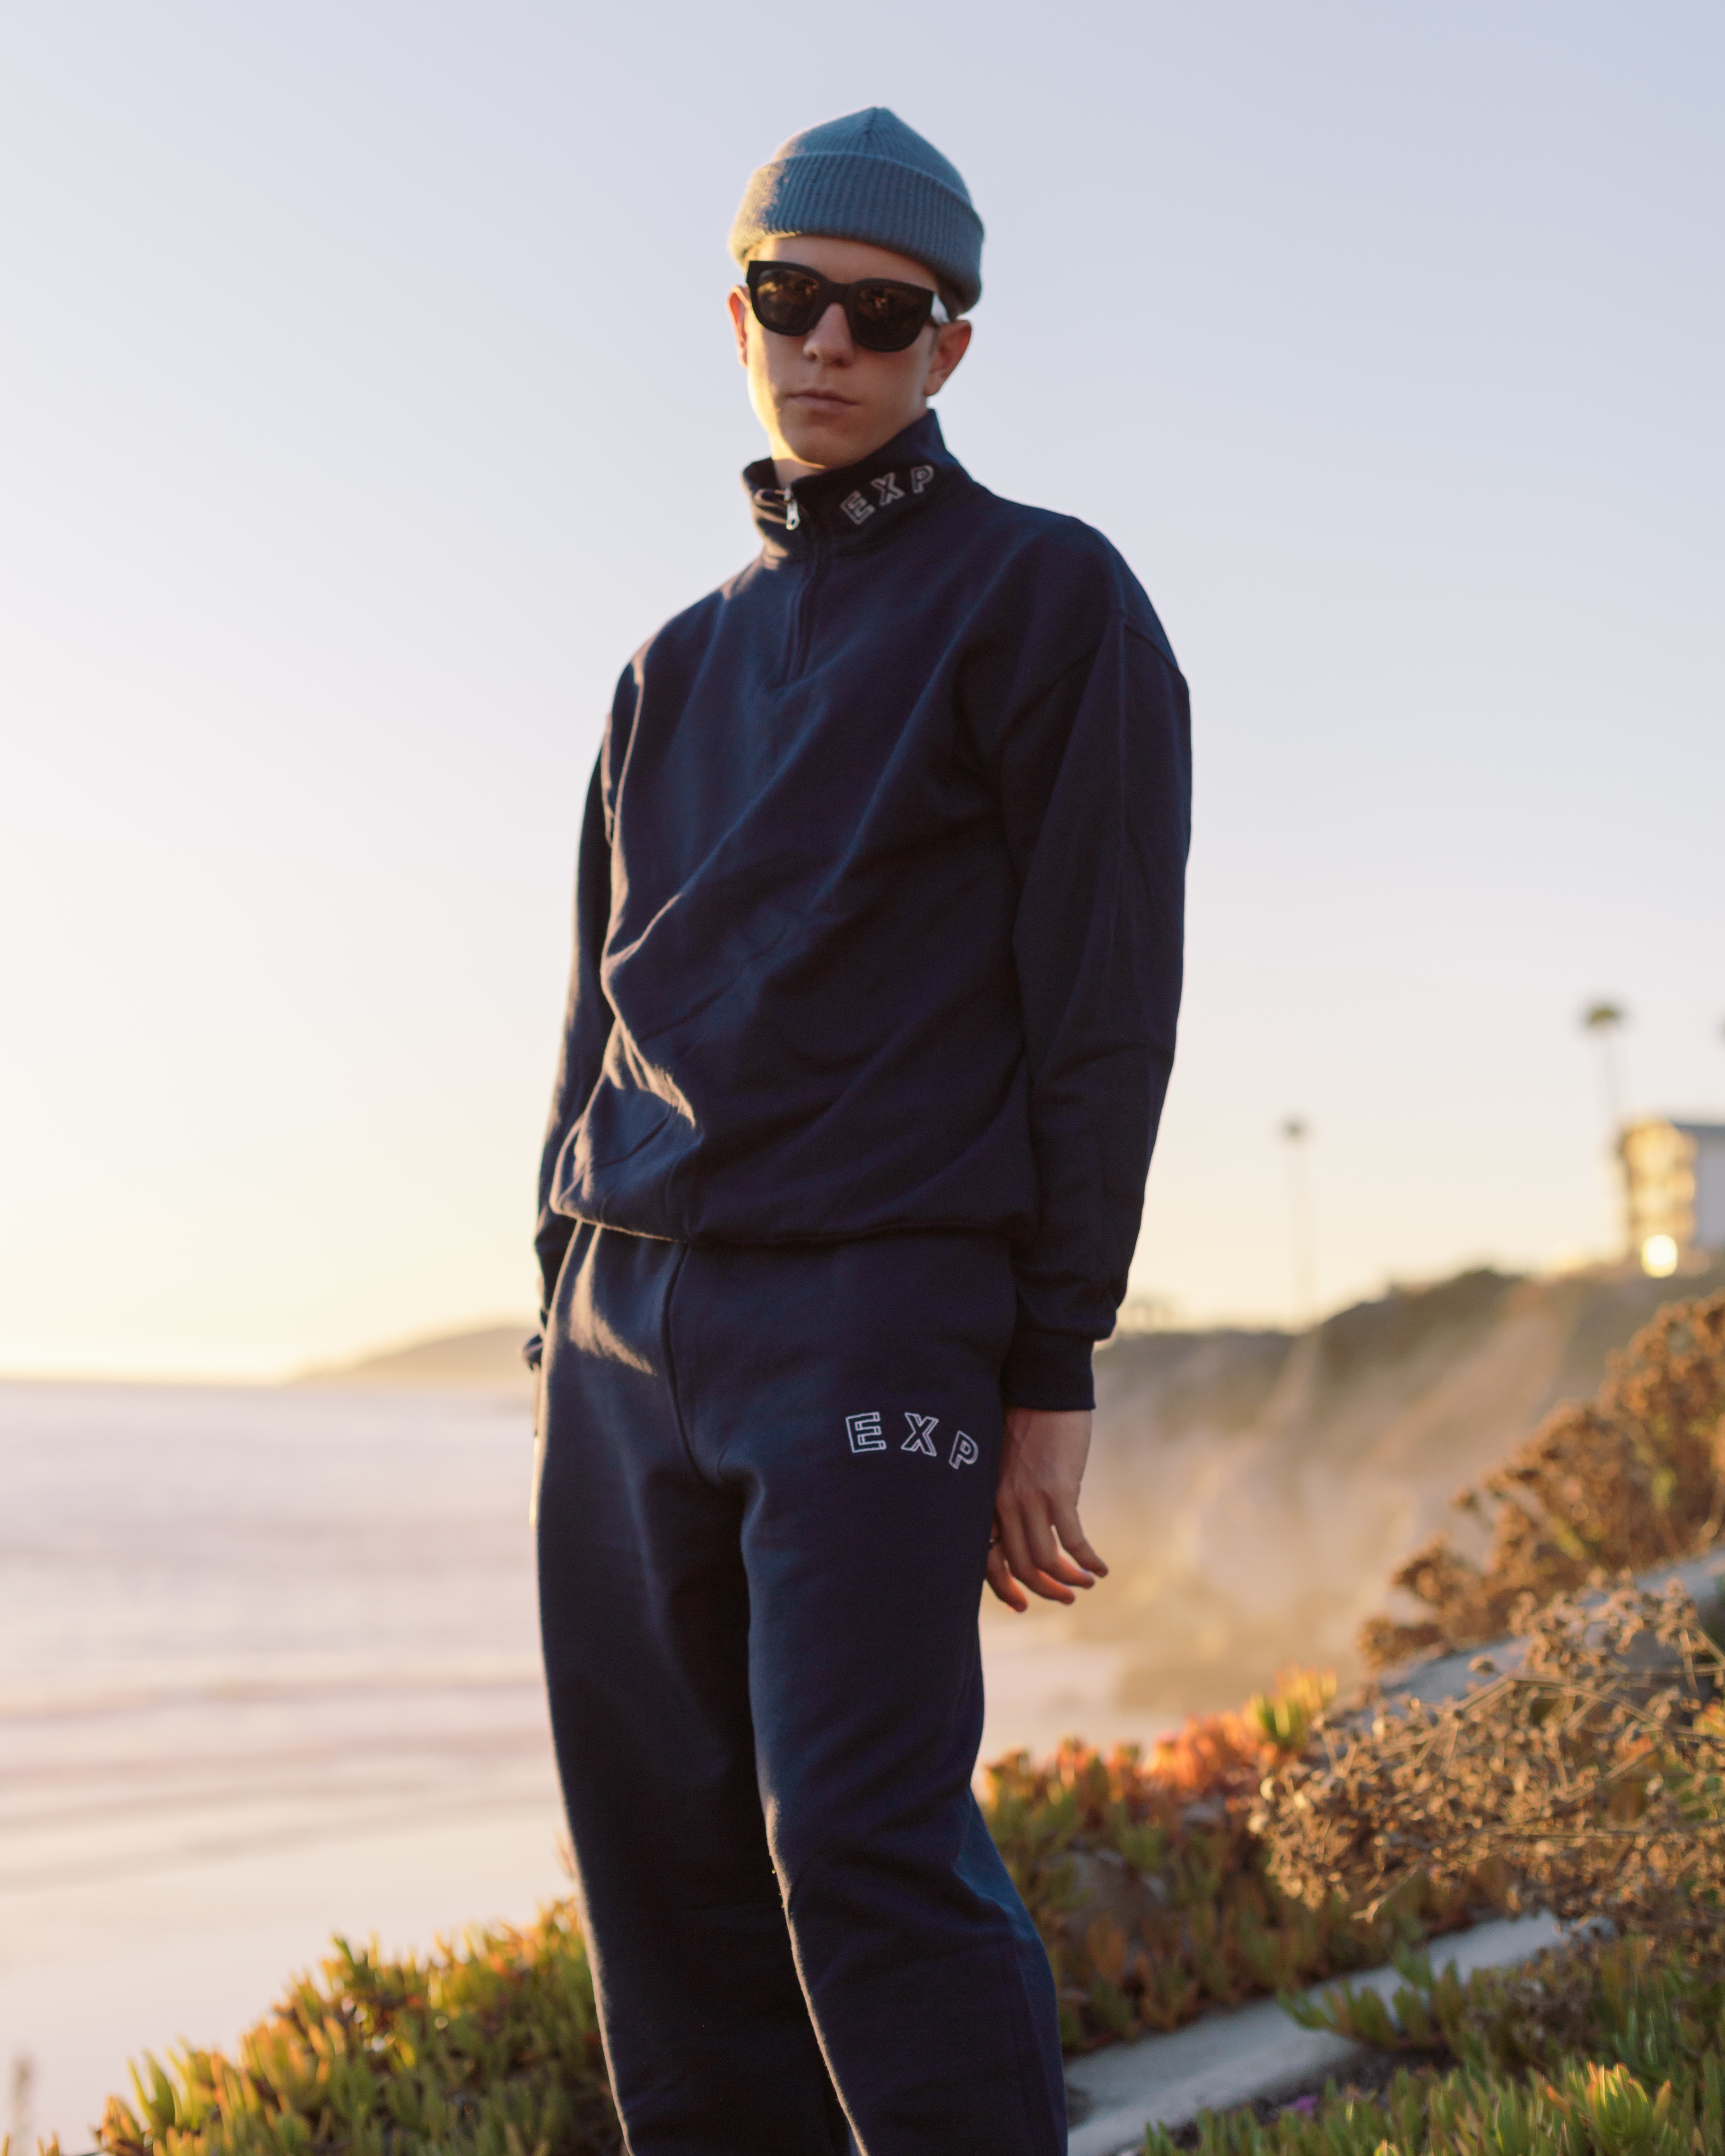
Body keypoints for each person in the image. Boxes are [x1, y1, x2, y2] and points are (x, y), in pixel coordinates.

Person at [528, 106, 1191, 2155]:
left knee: (862, 1848)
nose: (829, 343)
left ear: (949, 348)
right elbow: (594, 1012)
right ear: (735, 312)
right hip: (625, 1332)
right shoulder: (669, 667)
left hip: (878, 1311)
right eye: (790, 297)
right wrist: (555, 1306)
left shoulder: (1047, 598)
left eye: (883, 316)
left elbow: (1105, 1009)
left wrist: (1049, 1361)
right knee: (663, 1883)